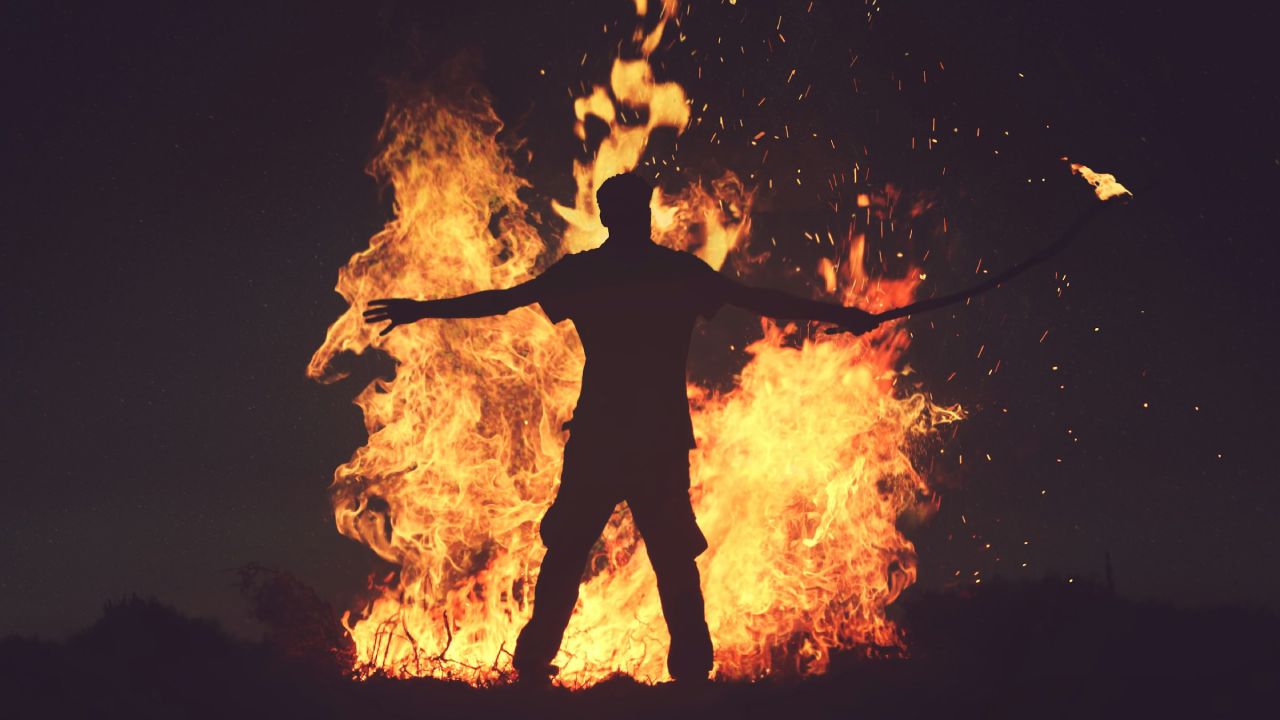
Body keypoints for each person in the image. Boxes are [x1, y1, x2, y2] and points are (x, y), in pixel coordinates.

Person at [363, 173, 879, 684]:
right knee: (665, 557)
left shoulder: (588, 274)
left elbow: (503, 301)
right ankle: (688, 673)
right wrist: (839, 315)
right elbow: (760, 299)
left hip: (604, 439)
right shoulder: (674, 273)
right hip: (651, 439)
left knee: (576, 551)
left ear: (611, 216)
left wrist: (421, 311)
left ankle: (537, 664)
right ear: (636, 214)